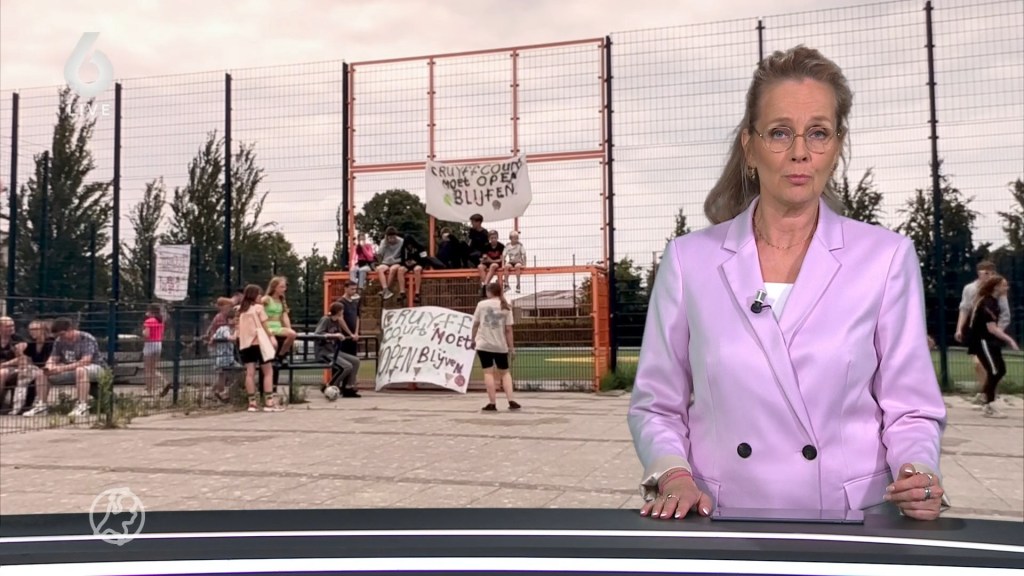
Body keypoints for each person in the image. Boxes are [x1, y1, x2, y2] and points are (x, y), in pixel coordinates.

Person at [627, 45, 948, 522]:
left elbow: (911, 408)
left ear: (836, 146)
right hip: (723, 517)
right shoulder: (689, 260)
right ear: (749, 146)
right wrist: (672, 473)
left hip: (847, 522)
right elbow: (656, 405)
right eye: (780, 132)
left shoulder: (886, 258)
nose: (800, 151)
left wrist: (917, 470)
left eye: (818, 132)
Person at [954, 260, 1011, 405]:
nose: (989, 276)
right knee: (981, 365)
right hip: (979, 333)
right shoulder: (971, 289)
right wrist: (959, 328)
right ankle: (987, 394)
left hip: (991, 333)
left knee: (994, 367)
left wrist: (998, 332)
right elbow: (965, 309)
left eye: (992, 273)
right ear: (979, 273)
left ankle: (988, 394)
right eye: (986, 273)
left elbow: (1005, 314)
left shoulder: (997, 290)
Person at [965, 274, 1018, 418]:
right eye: (1004, 285)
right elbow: (992, 329)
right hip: (983, 341)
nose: (1007, 288)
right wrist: (1010, 340)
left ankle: (984, 395)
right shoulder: (987, 303)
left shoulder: (993, 302)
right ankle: (989, 405)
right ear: (996, 287)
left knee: (1000, 370)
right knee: (994, 371)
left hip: (990, 341)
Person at [471, 282, 521, 412]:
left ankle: (492, 403)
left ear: (488, 292)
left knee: (488, 372)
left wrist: (472, 339)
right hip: (500, 345)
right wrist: (511, 347)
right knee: (505, 372)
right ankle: (511, 400)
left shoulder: (481, 305)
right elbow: (508, 330)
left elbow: (475, 324)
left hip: (484, 344)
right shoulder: (506, 307)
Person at [237, 284, 284, 412]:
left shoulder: (241, 310)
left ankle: (252, 403)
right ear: (254, 295)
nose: (260, 297)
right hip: (259, 343)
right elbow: (264, 325)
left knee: (250, 373)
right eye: (259, 294)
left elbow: (238, 328)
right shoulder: (258, 308)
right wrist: (272, 338)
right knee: (268, 371)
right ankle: (269, 402)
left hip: (245, 344)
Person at [314, 301, 363, 398]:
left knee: (355, 361)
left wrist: (343, 336)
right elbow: (317, 334)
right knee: (347, 366)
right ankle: (329, 386)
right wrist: (334, 335)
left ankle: (348, 387)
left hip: (334, 351)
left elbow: (338, 334)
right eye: (342, 311)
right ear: (339, 311)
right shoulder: (326, 320)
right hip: (325, 352)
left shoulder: (336, 322)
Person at [18, 320, 54, 417]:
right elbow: (25, 358)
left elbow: (51, 360)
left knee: (34, 380)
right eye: (30, 330)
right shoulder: (31, 344)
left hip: (48, 369)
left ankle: (32, 406)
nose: (32, 332)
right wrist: (19, 352)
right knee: (24, 376)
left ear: (43, 330)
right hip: (35, 370)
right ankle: (19, 407)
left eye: (35, 329)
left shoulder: (51, 343)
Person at [263, 276, 297, 366]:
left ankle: (281, 355)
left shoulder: (281, 300)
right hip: (268, 326)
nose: (284, 289)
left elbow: (285, 316)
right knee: (274, 344)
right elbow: (256, 306)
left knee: (292, 334)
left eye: (284, 287)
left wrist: (289, 328)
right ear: (274, 287)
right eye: (281, 287)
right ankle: (272, 358)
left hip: (277, 326)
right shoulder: (267, 299)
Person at [142, 304, 169, 396]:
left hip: (149, 344)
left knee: (148, 369)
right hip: (158, 344)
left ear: (151, 311)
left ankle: (150, 389)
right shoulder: (161, 321)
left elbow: (147, 334)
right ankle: (163, 382)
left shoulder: (148, 321)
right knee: (153, 368)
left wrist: (143, 332)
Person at [376, 226, 405, 300]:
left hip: (397, 261)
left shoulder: (401, 241)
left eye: (393, 237)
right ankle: (385, 289)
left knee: (393, 269)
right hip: (386, 262)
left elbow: (404, 254)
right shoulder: (384, 242)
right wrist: (385, 244)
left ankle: (387, 289)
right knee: (379, 269)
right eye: (390, 238)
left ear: (396, 236)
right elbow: (380, 253)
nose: (392, 240)